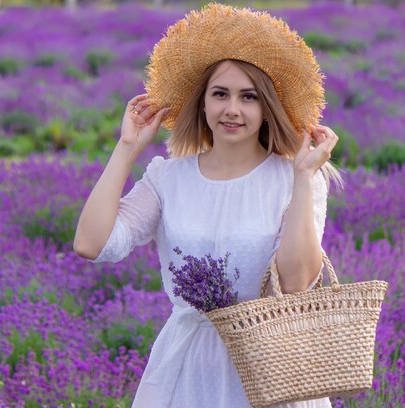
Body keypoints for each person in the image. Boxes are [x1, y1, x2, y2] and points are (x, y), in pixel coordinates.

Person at [73, 4, 342, 407]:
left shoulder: (294, 179)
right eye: (220, 94)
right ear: (202, 103)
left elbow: (296, 282)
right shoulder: (169, 178)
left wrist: (304, 177)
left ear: (267, 108)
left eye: (248, 97)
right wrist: (126, 148)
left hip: (269, 367)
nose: (232, 109)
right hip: (187, 369)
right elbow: (92, 244)